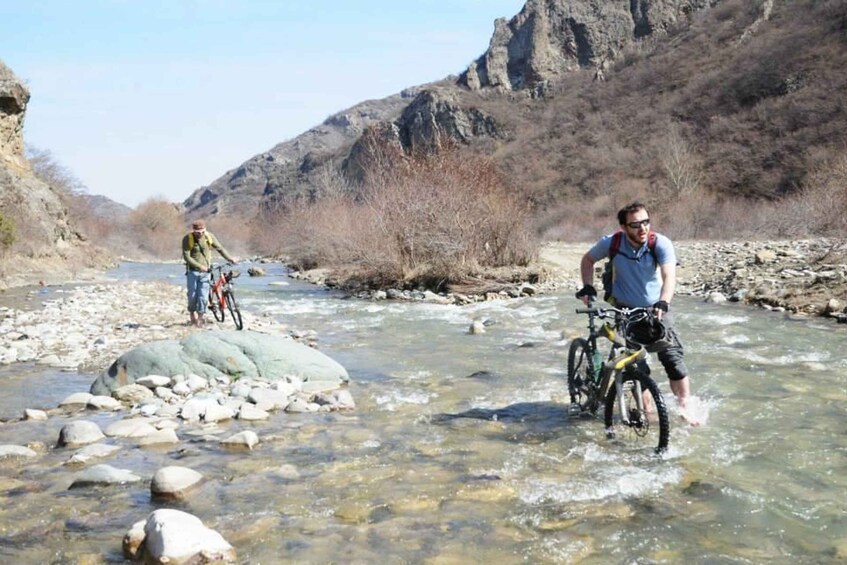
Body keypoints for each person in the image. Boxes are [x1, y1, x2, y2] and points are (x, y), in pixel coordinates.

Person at [575, 202, 701, 426]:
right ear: (624, 227)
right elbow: (588, 260)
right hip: (624, 311)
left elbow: (669, 275)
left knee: (673, 360)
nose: (643, 228)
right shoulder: (612, 243)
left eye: (646, 222)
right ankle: (648, 413)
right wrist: (587, 286)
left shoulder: (659, 243)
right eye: (635, 225)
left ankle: (685, 406)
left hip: (656, 309)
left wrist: (664, 301)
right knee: (636, 366)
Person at [182, 219, 238, 327]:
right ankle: (192, 314)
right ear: (193, 231)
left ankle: (200, 318)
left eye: (203, 231)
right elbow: (186, 256)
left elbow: (220, 248)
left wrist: (230, 258)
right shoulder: (187, 239)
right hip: (192, 272)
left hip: (206, 272)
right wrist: (199, 266)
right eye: (198, 233)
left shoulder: (209, 236)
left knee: (203, 296)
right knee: (192, 296)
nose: (201, 234)